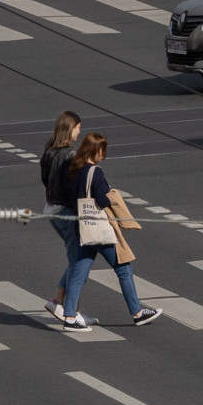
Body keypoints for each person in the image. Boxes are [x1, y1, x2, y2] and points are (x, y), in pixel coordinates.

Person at [59, 134, 162, 331]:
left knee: (79, 273)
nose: (104, 155)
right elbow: (101, 199)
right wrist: (111, 196)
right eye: (102, 150)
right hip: (100, 230)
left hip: (84, 229)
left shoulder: (74, 170)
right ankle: (138, 313)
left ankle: (70, 317)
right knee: (124, 269)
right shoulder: (95, 172)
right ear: (95, 151)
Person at [38, 110, 83, 322]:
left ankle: (58, 301)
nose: (79, 133)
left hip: (50, 209)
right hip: (66, 212)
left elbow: (45, 180)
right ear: (70, 128)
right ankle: (67, 308)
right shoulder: (70, 155)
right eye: (78, 128)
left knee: (76, 259)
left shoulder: (48, 151)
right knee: (79, 262)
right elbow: (73, 187)